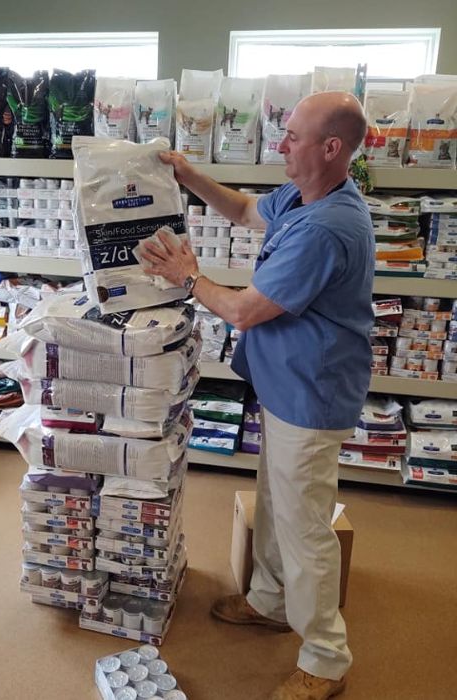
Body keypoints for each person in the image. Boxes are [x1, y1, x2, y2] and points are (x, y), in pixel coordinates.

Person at [139, 91, 375, 700]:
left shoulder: (327, 227)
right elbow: (245, 210)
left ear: (331, 148)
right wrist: (191, 177)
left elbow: (246, 309)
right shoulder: (305, 196)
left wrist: (188, 277)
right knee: (276, 505)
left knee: (305, 530)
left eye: (293, 135)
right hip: (286, 385)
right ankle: (270, 601)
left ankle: (326, 658)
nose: (281, 143)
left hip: (312, 393)